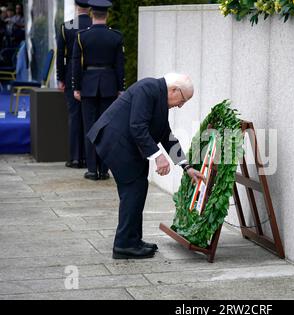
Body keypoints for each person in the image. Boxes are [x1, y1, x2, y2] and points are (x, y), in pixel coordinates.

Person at [87, 73, 205, 259]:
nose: (180, 105)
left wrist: (186, 167)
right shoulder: (148, 88)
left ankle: (133, 240)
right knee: (132, 189)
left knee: (139, 187)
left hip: (127, 145)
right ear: (174, 90)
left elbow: (166, 135)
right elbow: (137, 126)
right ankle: (123, 245)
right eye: (182, 100)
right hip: (116, 142)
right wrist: (158, 157)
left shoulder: (158, 95)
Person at [72, 0, 125, 181]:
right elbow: (119, 66)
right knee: (107, 129)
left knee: (90, 127)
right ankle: (104, 169)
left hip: (88, 86)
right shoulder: (116, 37)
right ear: (107, 15)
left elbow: (76, 65)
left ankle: (92, 169)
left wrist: (76, 87)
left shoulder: (82, 36)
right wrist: (120, 88)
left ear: (92, 14)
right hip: (109, 87)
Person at [57, 0, 92, 169]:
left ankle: (75, 158)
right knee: (89, 117)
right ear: (90, 7)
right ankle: (88, 158)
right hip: (91, 76)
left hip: (71, 73)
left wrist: (61, 78)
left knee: (74, 116)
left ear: (76, 7)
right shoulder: (95, 26)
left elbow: (60, 56)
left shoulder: (67, 27)